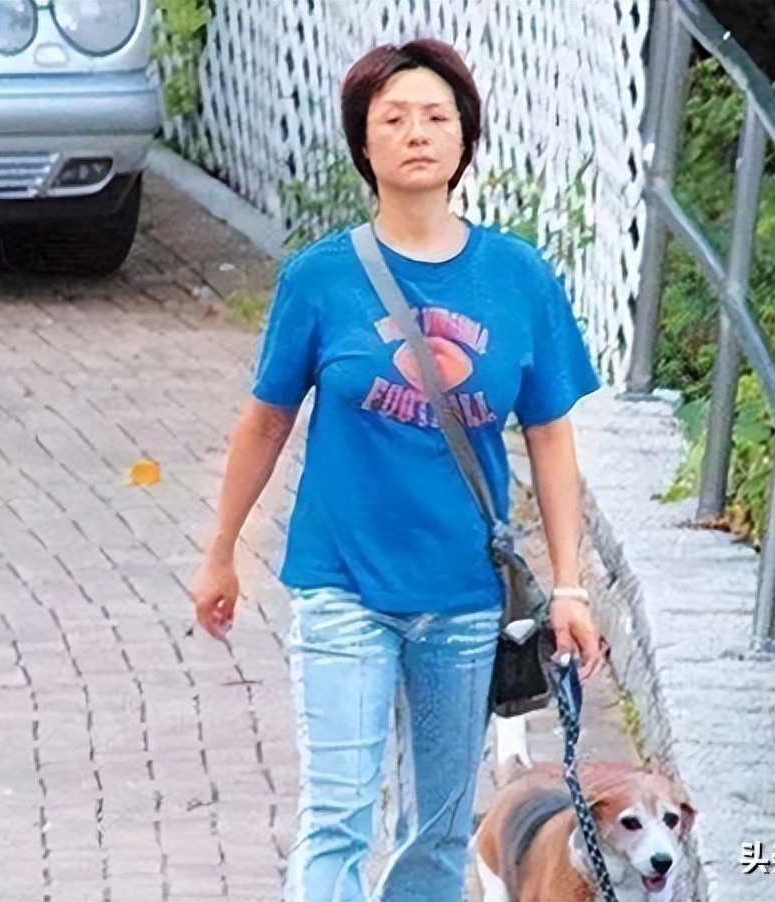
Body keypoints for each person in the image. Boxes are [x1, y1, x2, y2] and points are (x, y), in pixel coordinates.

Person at [190, 37, 605, 902]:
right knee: (339, 816)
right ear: (364, 143)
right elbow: (265, 422)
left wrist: (569, 586)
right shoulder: (320, 279)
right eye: (394, 119)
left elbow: (550, 436)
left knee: (439, 829)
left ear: (465, 139)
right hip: (342, 582)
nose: (418, 133)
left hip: (465, 596)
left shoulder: (518, 276)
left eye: (437, 117)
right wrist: (221, 551)